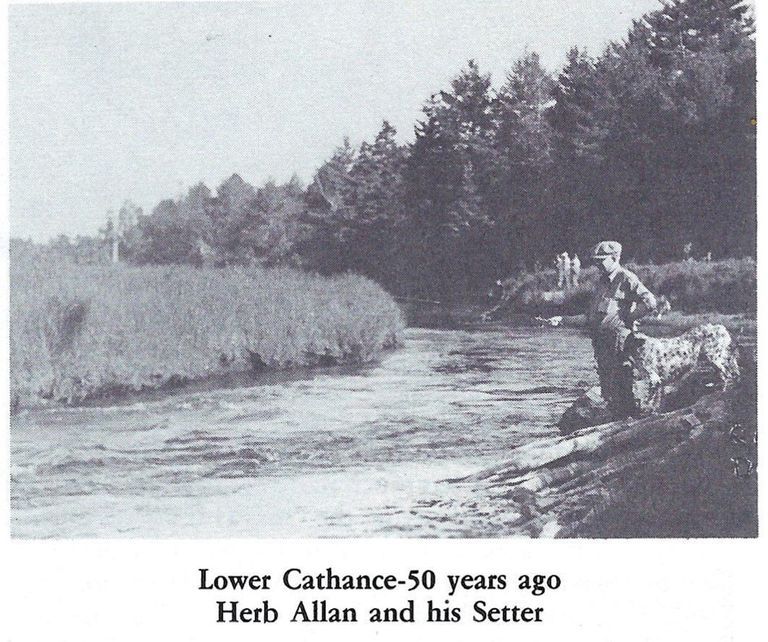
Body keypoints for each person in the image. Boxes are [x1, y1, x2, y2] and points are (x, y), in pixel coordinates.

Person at [586, 241, 658, 417]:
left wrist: (629, 318)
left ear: (615, 258)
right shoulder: (602, 281)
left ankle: (627, 422)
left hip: (619, 341)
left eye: (601, 260)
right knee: (607, 384)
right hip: (602, 342)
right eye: (595, 261)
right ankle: (615, 421)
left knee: (622, 382)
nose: (597, 265)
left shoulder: (626, 278)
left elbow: (650, 302)